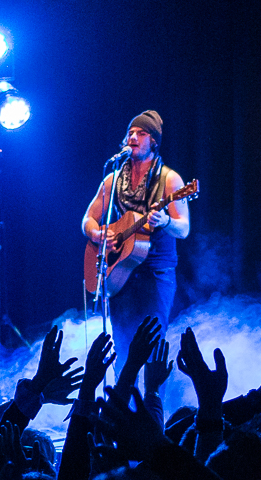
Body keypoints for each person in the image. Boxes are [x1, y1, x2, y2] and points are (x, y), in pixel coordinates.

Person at [82, 110, 191, 346]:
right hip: (120, 273)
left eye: (141, 133)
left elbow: (183, 229)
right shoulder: (112, 179)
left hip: (156, 273)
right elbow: (88, 218)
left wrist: (165, 221)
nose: (133, 137)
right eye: (130, 133)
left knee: (152, 347)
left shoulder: (170, 180)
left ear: (153, 141)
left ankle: (154, 385)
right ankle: (123, 385)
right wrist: (97, 234)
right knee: (121, 345)